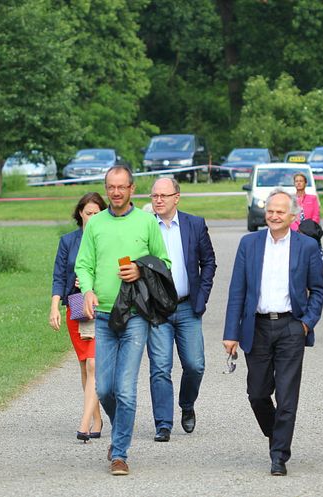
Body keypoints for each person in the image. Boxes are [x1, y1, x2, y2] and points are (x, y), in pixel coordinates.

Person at [74, 166, 170, 476]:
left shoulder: (146, 222)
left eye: (121, 187)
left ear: (131, 189)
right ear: (106, 189)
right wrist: (87, 291)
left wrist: (142, 270)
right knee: (104, 390)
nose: (116, 192)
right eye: (110, 187)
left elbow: (164, 262)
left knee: (126, 390)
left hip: (135, 315)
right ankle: (121, 431)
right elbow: (84, 264)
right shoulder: (96, 224)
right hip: (102, 314)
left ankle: (119, 453)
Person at [223, 188, 323, 476]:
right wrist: (230, 333)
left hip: (291, 327)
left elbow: (318, 290)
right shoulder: (249, 244)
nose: (274, 215)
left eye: (280, 211)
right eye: (270, 210)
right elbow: (237, 291)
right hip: (256, 327)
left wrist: (306, 323)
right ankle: (276, 434)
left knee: (287, 395)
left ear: (293, 216)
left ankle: (279, 454)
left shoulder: (306, 246)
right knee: (257, 393)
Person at [146, 178, 217, 442]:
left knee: (195, 365)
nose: (159, 200)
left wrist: (202, 297)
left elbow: (208, 262)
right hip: (157, 310)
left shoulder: (194, 224)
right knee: (160, 367)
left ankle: (187, 404)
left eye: (164, 195)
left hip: (188, 306)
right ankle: (163, 423)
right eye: (154, 196)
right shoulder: (144, 226)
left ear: (177, 197)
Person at [49, 192, 107, 442]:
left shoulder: (108, 238)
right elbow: (58, 276)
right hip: (76, 308)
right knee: (85, 364)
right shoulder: (68, 241)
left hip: (102, 307)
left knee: (94, 364)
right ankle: (96, 417)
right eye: (88, 213)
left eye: (97, 213)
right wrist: (54, 308)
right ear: (80, 214)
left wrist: (90, 282)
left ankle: (84, 424)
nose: (92, 217)